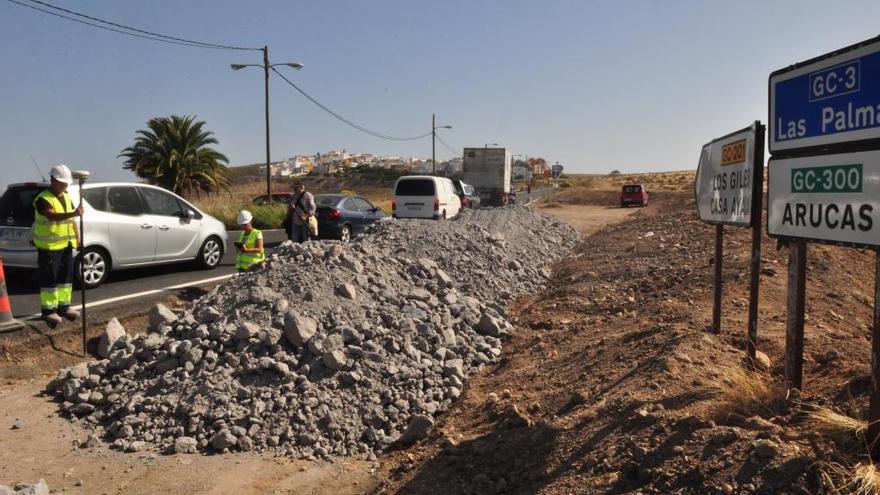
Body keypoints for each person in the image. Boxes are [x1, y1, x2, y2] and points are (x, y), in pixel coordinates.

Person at [33, 164, 83, 328]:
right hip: (49, 247)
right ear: (53, 180)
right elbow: (51, 216)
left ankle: (64, 307)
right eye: (61, 182)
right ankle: (49, 311)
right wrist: (74, 213)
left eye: (66, 183)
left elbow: (71, 220)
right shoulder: (43, 199)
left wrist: (77, 237)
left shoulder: (66, 196)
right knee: (49, 280)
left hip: (66, 245)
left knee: (66, 278)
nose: (64, 185)